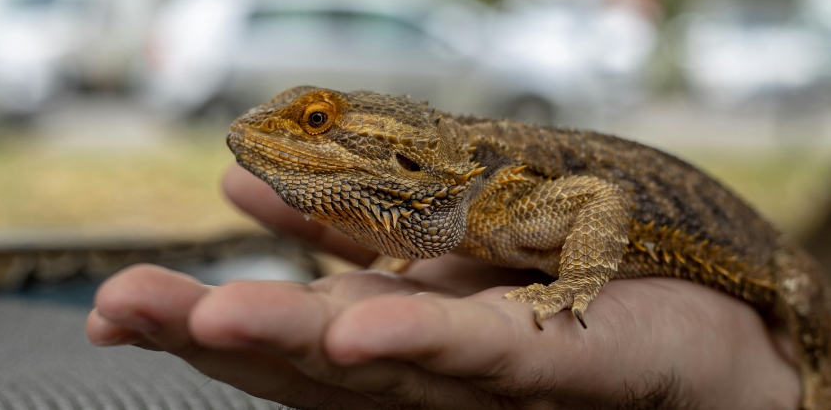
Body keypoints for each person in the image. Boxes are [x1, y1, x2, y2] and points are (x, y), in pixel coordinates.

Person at [87, 165, 800, 409]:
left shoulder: (501, 202)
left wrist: (783, 386)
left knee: (802, 285)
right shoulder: (464, 211)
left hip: (770, 277)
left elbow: (600, 202)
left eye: (317, 123)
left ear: (404, 152)